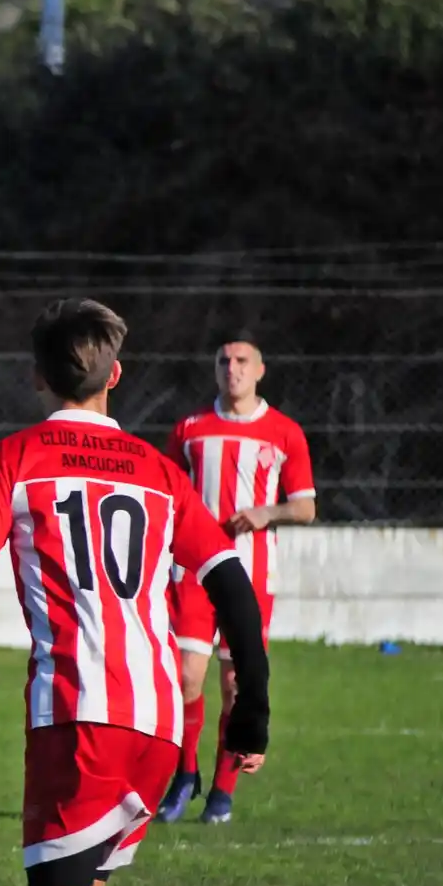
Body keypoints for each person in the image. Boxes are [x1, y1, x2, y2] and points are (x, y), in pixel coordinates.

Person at [0, 298, 272, 886]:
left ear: (37, 377)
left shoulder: (14, 459)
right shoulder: (161, 471)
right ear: (115, 375)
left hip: (80, 718)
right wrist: (253, 709)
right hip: (158, 725)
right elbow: (233, 588)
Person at [155, 332, 315, 825]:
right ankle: (185, 774)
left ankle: (222, 794)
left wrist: (268, 512)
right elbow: (165, 494)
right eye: (224, 360)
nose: (233, 368)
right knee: (185, 677)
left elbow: (306, 508)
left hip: (252, 573)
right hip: (195, 573)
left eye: (243, 360)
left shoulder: (285, 432)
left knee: (234, 684)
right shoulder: (190, 429)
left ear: (260, 370)